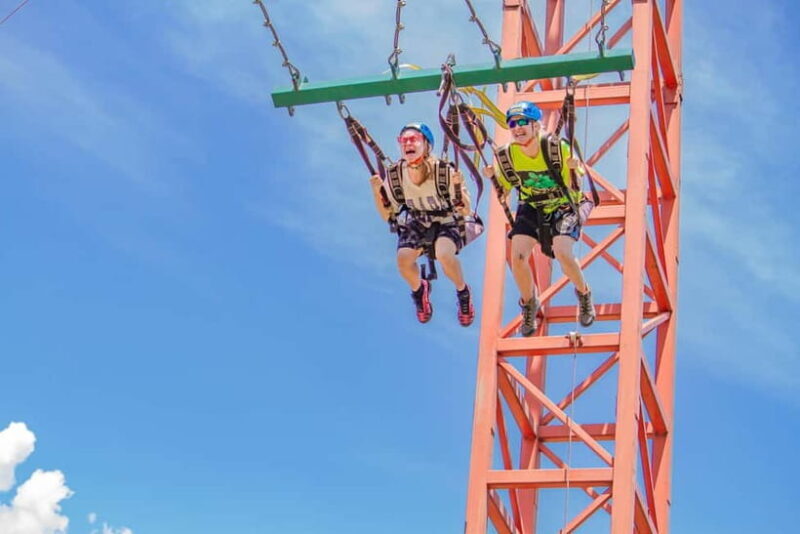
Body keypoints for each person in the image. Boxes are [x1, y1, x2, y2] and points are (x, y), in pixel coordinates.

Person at [482, 101, 596, 336]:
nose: (517, 128)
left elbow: (575, 184)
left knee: (563, 253)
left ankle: (584, 293)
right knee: (518, 255)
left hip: (563, 203)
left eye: (523, 122)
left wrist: (573, 168)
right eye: (513, 124)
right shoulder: (508, 154)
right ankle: (529, 303)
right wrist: (496, 182)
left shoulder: (556, 148)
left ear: (536, 125)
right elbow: (505, 188)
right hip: (533, 205)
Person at [369, 122, 475, 326]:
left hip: (446, 219)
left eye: (413, 139)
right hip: (418, 220)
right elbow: (386, 215)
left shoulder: (443, 171)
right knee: (403, 259)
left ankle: (463, 292)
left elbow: (465, 209)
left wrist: (458, 188)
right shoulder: (396, 175)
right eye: (404, 140)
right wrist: (376, 192)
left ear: (426, 144)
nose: (408, 144)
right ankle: (419, 290)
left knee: (444, 254)